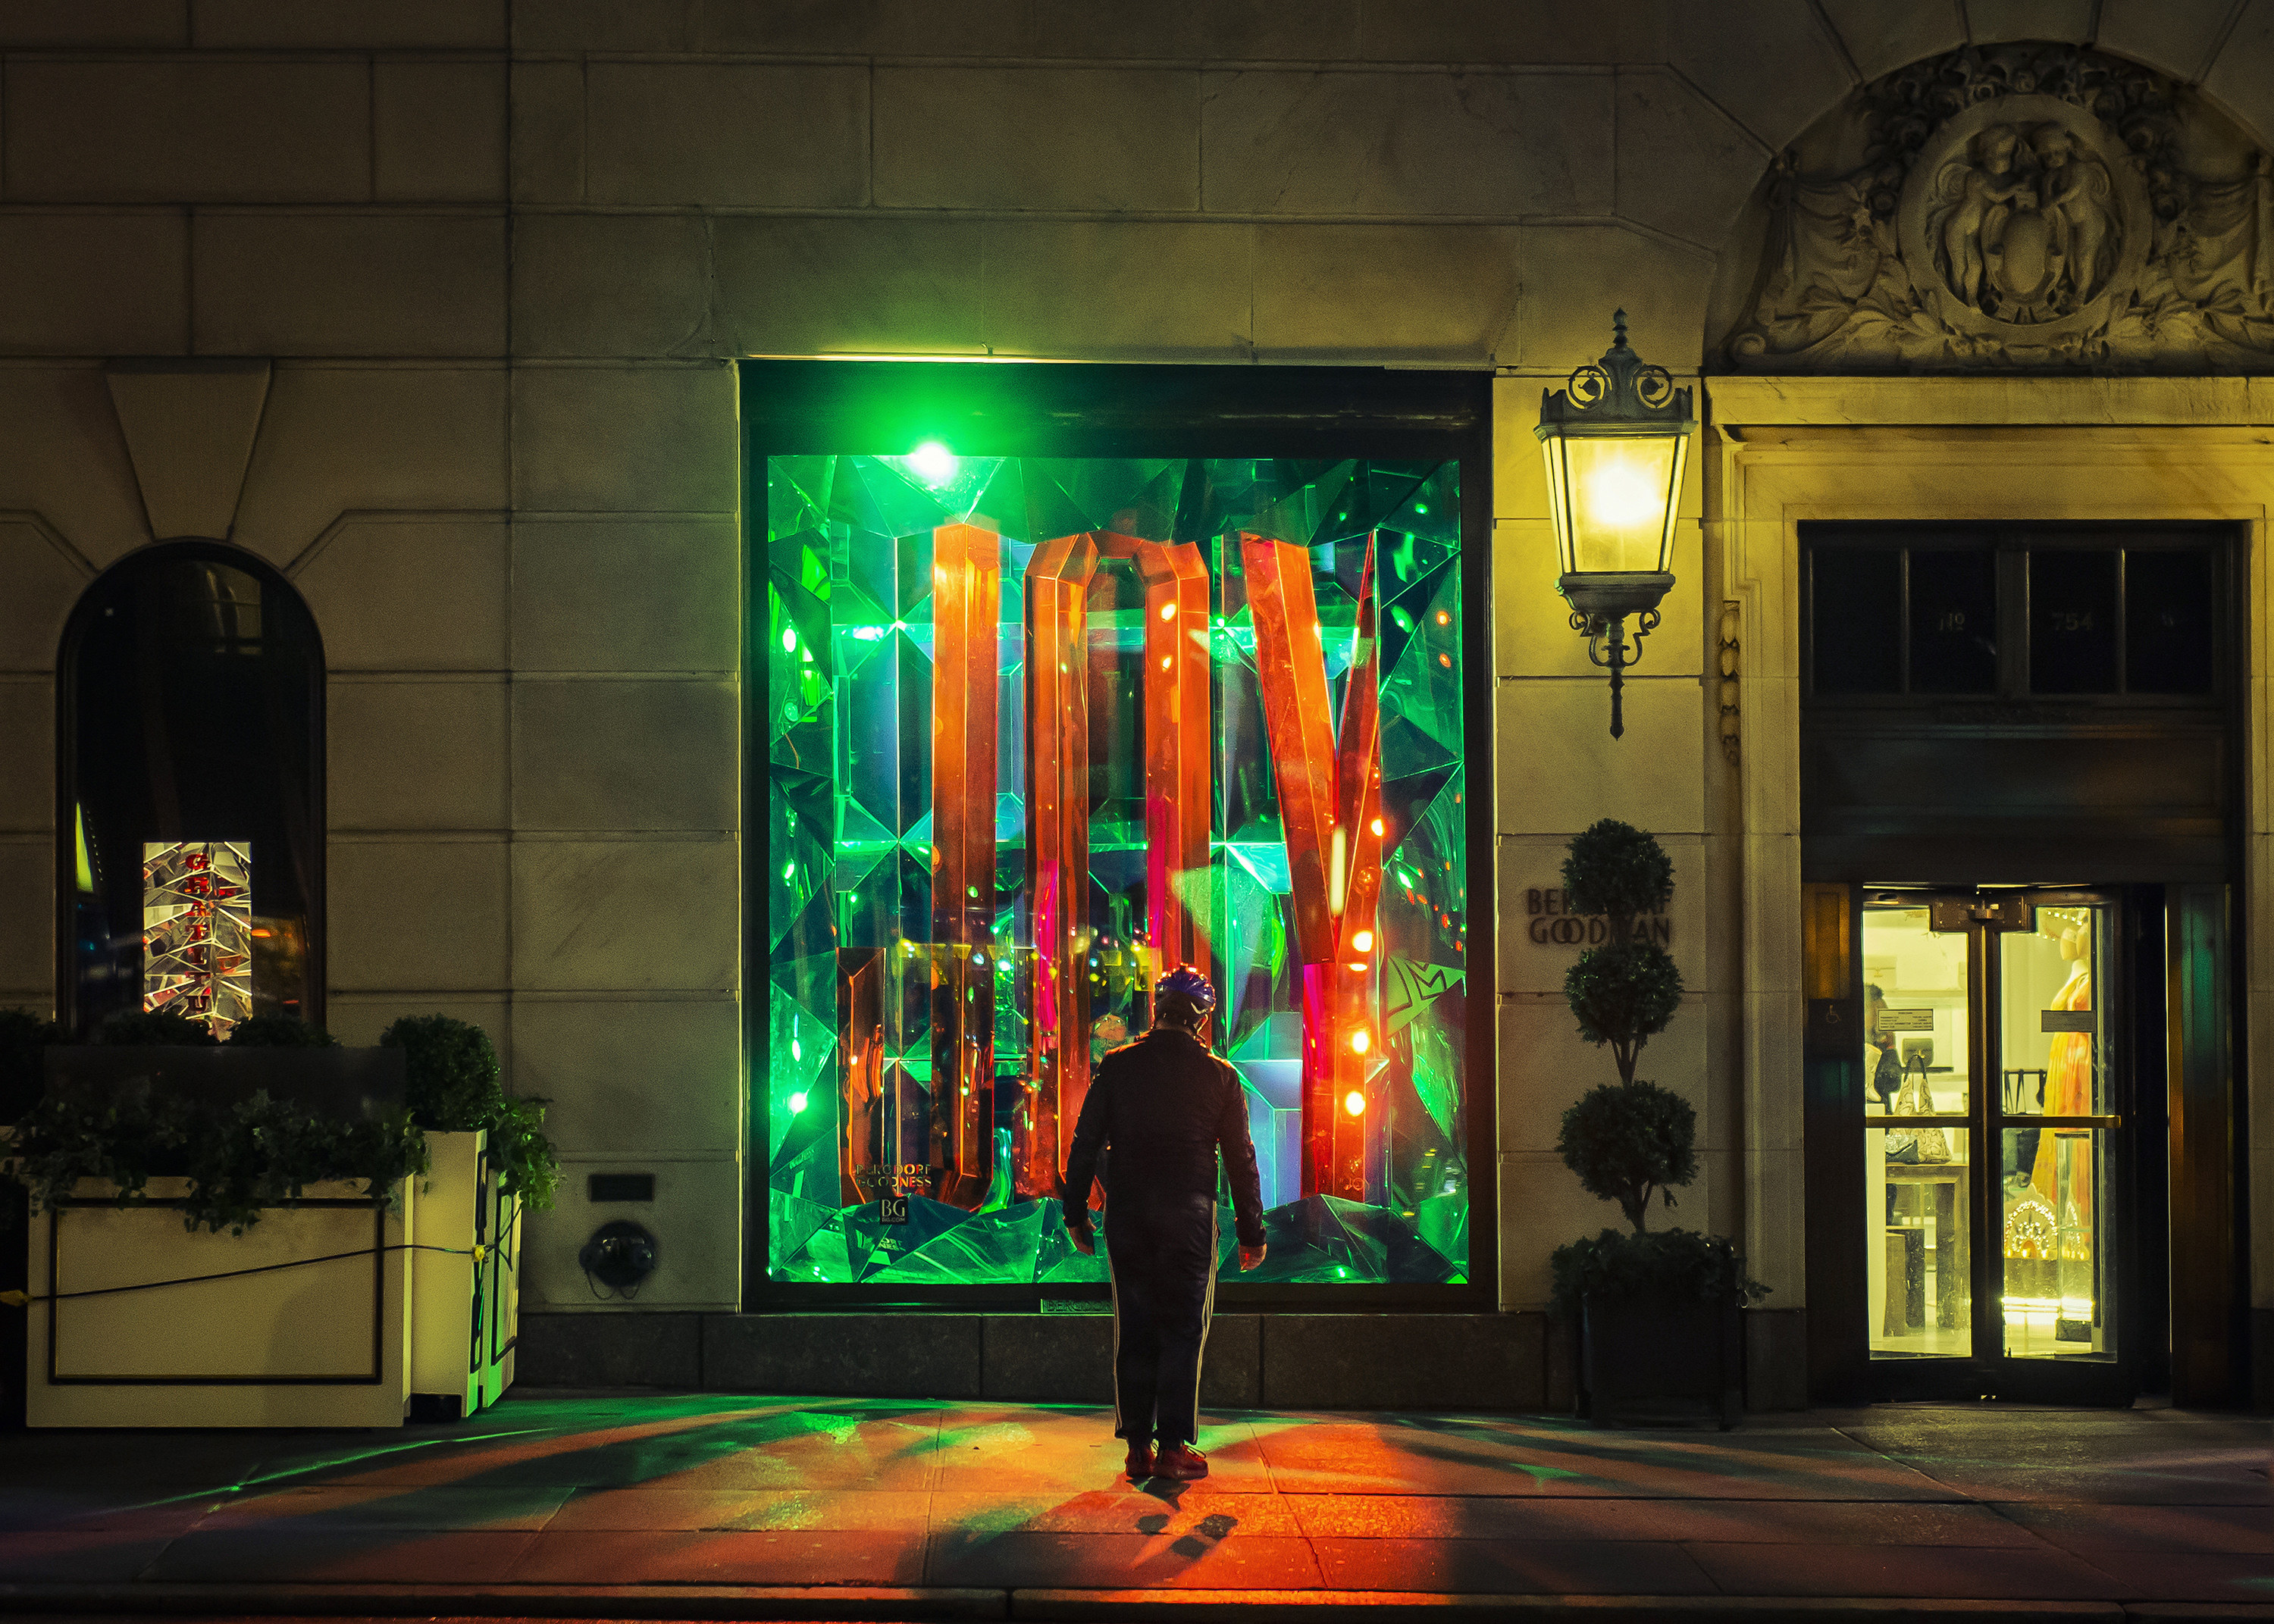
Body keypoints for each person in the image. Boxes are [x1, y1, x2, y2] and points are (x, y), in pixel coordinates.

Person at [1062, 964, 1267, 1482]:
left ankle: (1137, 1448)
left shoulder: (1118, 1065)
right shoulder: (1220, 1075)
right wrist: (1251, 1231)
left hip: (1128, 1215)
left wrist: (1075, 1214)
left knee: (1134, 1326)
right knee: (1181, 1327)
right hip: (1190, 1218)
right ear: (1202, 1014)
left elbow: (1084, 1141)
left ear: (1157, 1008)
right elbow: (1241, 1157)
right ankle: (1173, 1447)